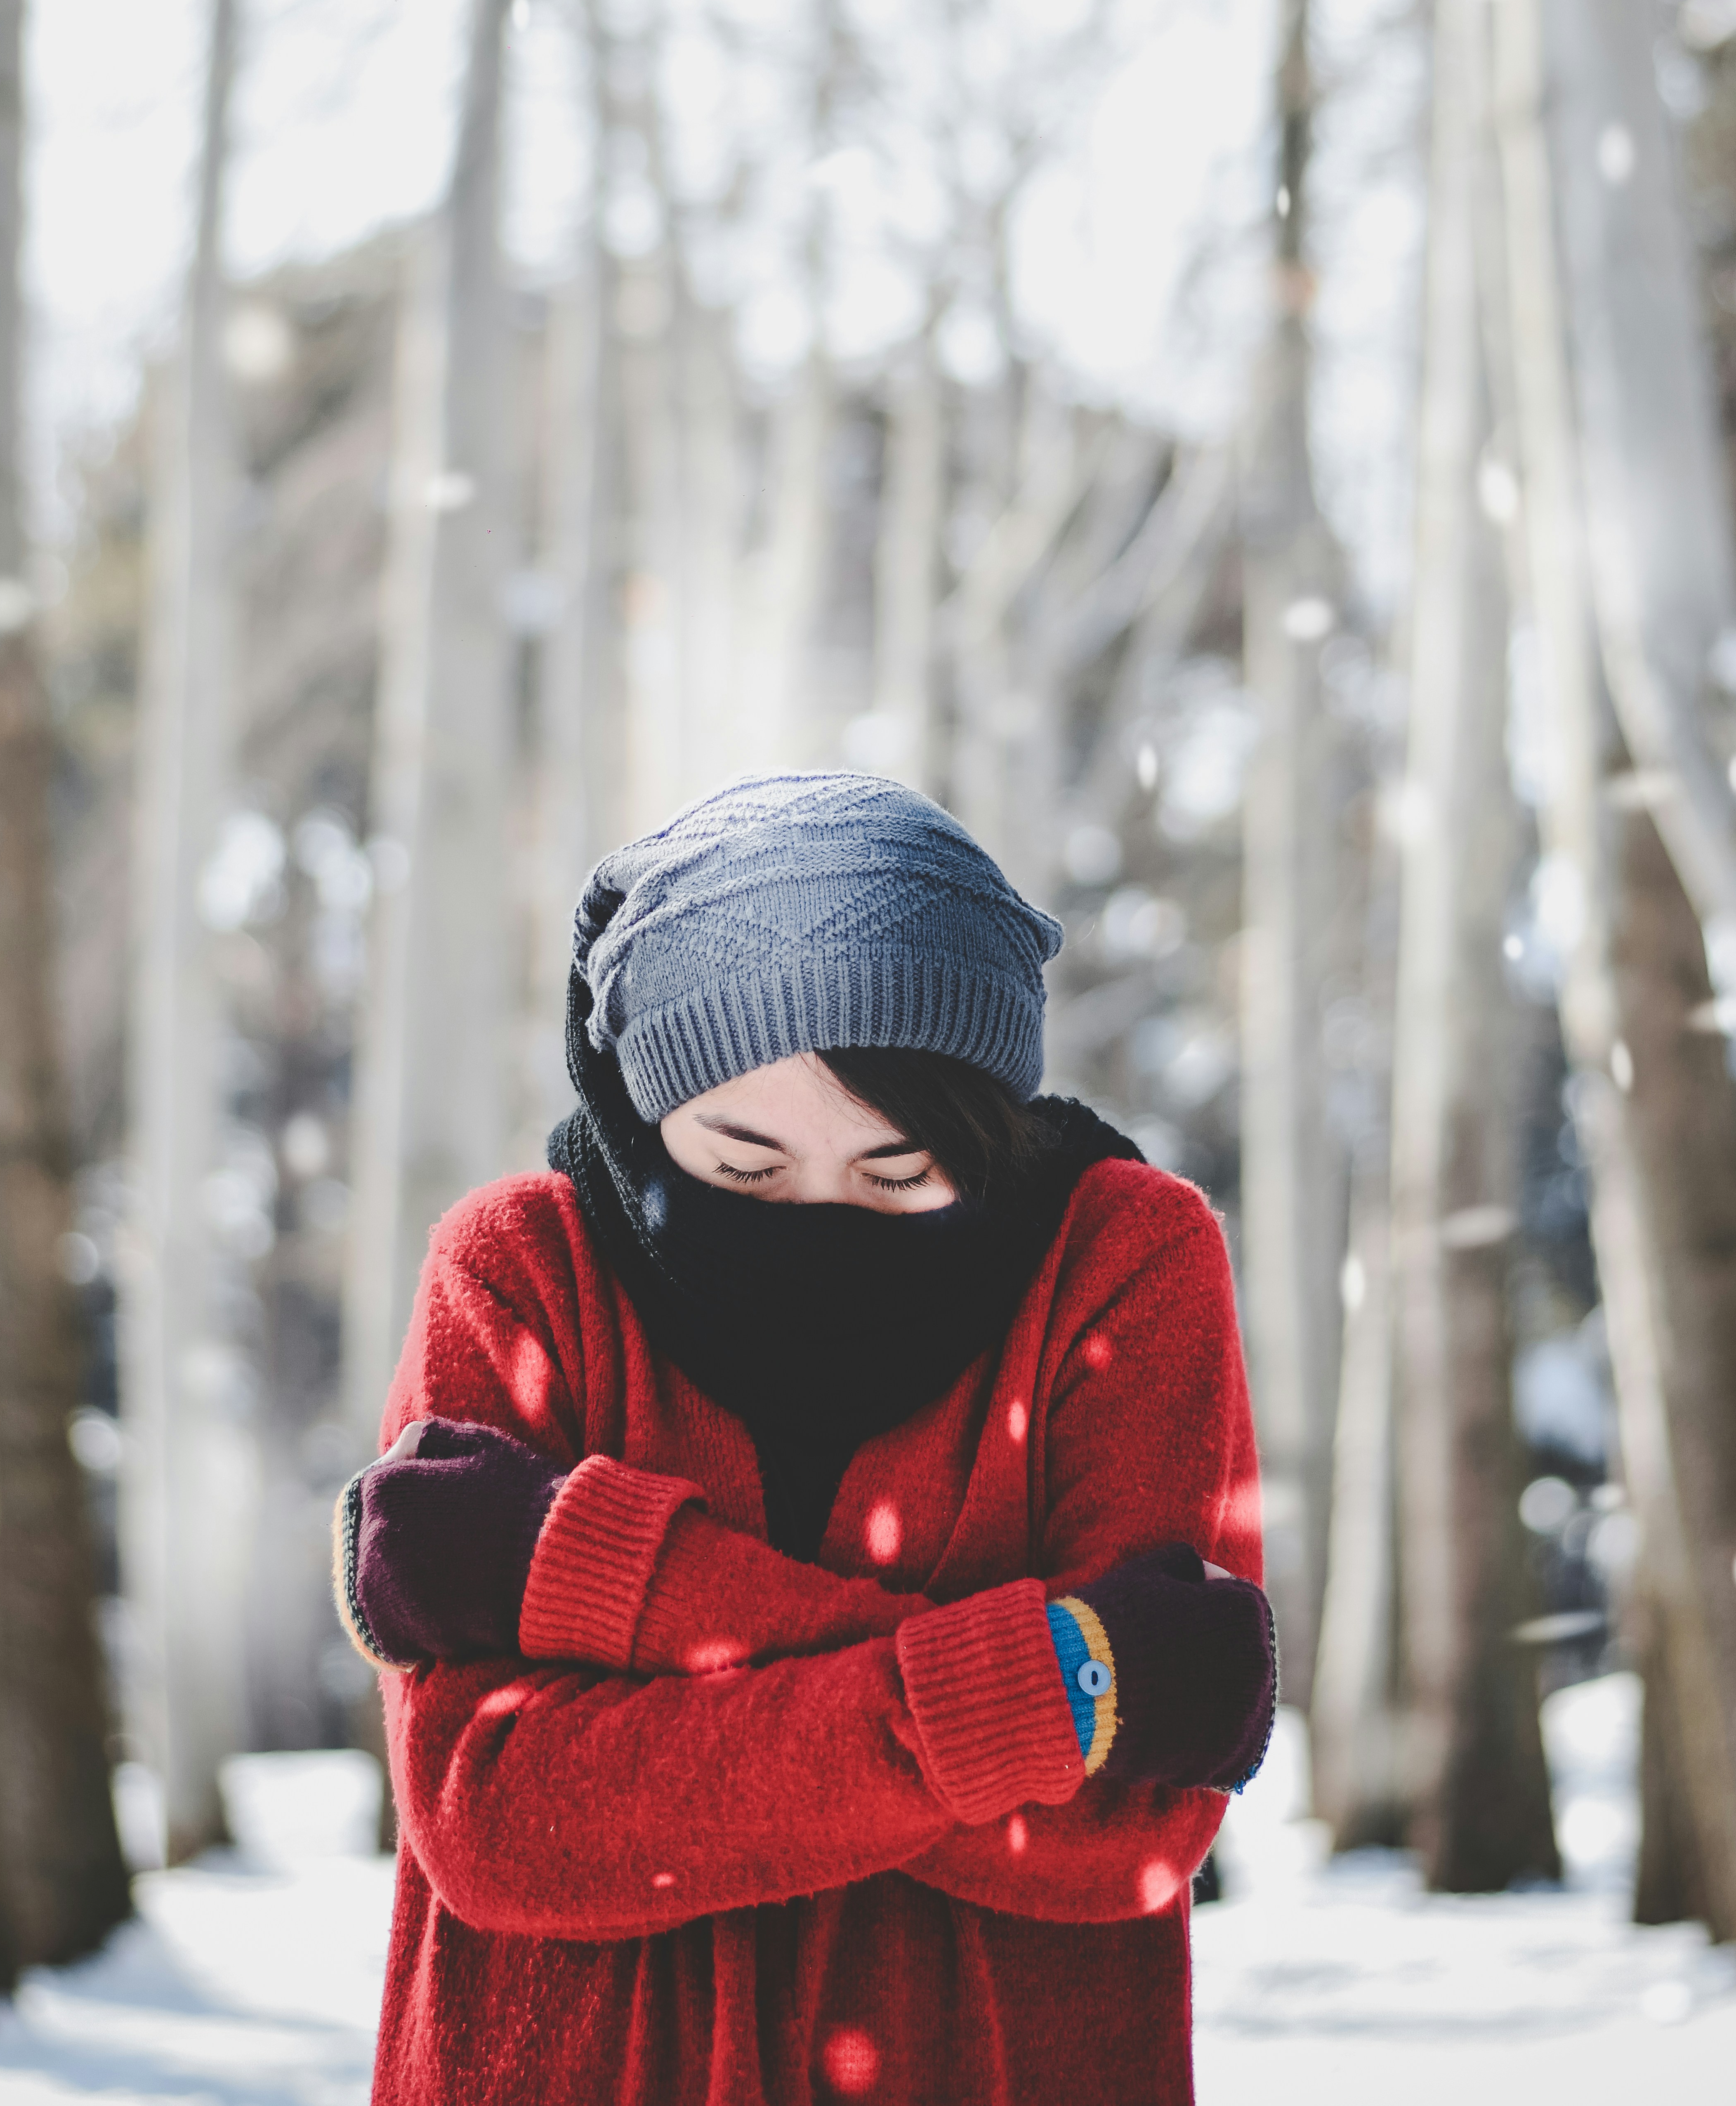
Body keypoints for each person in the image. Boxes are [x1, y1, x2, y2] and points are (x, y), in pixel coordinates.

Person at [333, 769, 1274, 2105]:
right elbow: (499, 1820)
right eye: (741, 1166)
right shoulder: (518, 1270)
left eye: (897, 1173)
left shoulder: (1117, 1260)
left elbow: (1124, 1834)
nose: (816, 1217)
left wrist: (585, 1572)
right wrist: (1045, 1685)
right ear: (642, 1108)